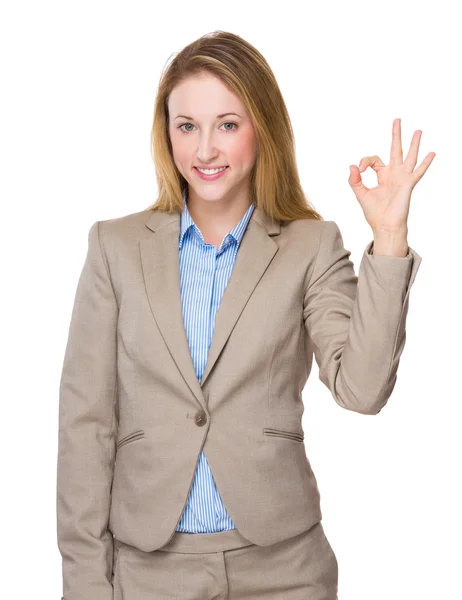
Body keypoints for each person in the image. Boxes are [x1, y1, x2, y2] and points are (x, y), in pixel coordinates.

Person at [56, 30, 435, 600]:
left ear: (263, 129)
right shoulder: (115, 247)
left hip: (284, 570)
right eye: (187, 126)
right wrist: (85, 584)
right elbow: (85, 425)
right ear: (167, 134)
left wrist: (388, 238)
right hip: (150, 572)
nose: (204, 150)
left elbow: (363, 389)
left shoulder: (311, 245)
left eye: (227, 124)